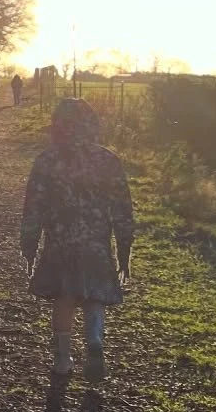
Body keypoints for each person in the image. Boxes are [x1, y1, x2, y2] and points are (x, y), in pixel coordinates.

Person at [20, 97, 134, 376]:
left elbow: (33, 207)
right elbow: (122, 208)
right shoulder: (107, 159)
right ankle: (94, 342)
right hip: (96, 241)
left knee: (64, 295)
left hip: (60, 241)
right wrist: (124, 248)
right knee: (95, 294)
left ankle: (63, 359)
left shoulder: (47, 160)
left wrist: (29, 246)